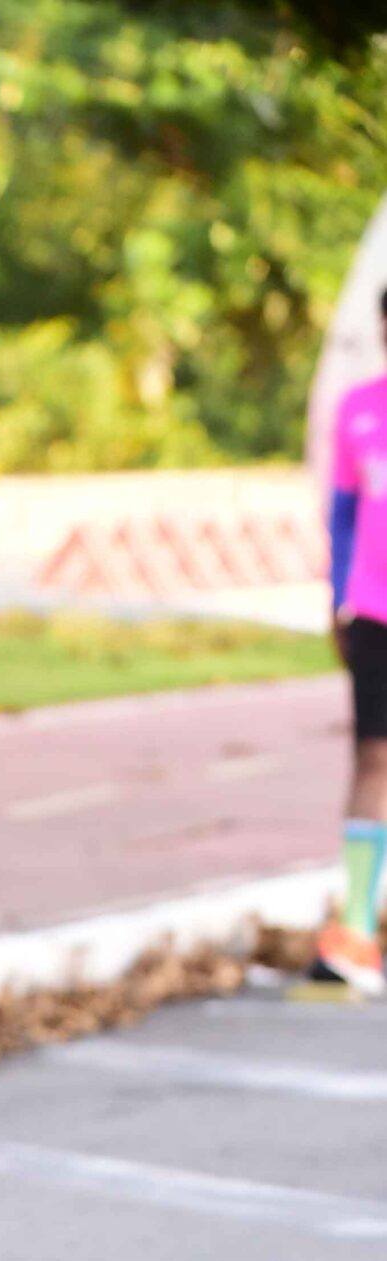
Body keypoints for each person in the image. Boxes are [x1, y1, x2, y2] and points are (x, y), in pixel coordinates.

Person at [311, 285, 387, 996]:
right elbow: (341, 515)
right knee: (372, 758)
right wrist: (335, 595)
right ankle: (357, 927)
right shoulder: (358, 410)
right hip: (372, 612)